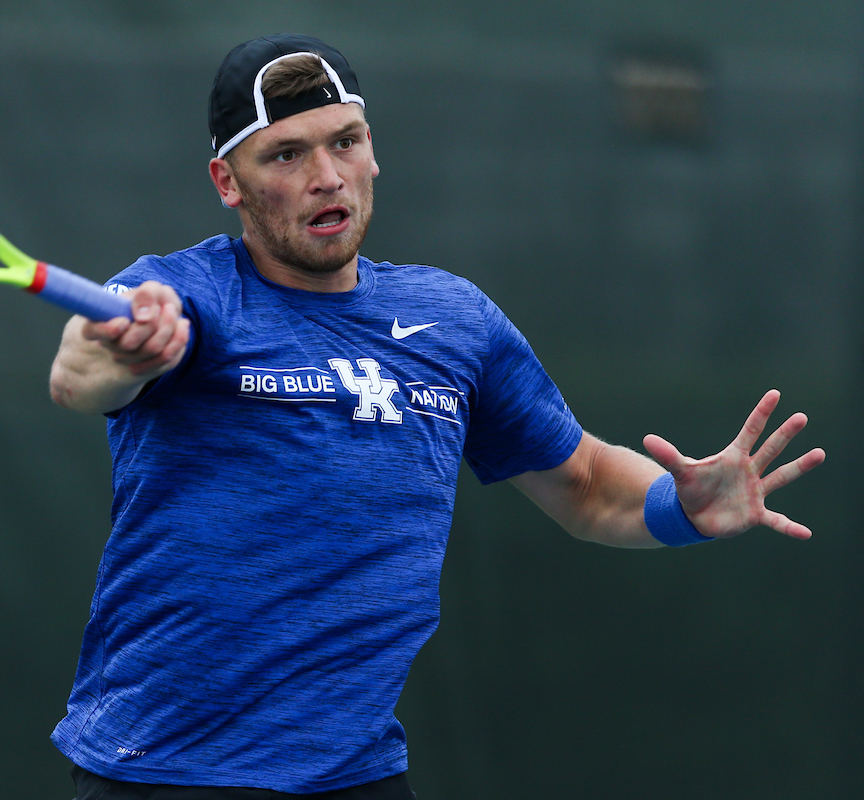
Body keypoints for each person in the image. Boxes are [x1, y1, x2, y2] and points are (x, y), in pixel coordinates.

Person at [47, 34, 825, 800]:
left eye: (345, 141)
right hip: (164, 773)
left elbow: (585, 483)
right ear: (228, 181)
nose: (327, 177)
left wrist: (680, 507)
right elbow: (82, 376)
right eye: (286, 155)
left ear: (372, 150)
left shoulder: (454, 320)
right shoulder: (185, 296)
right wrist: (124, 350)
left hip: (354, 774)